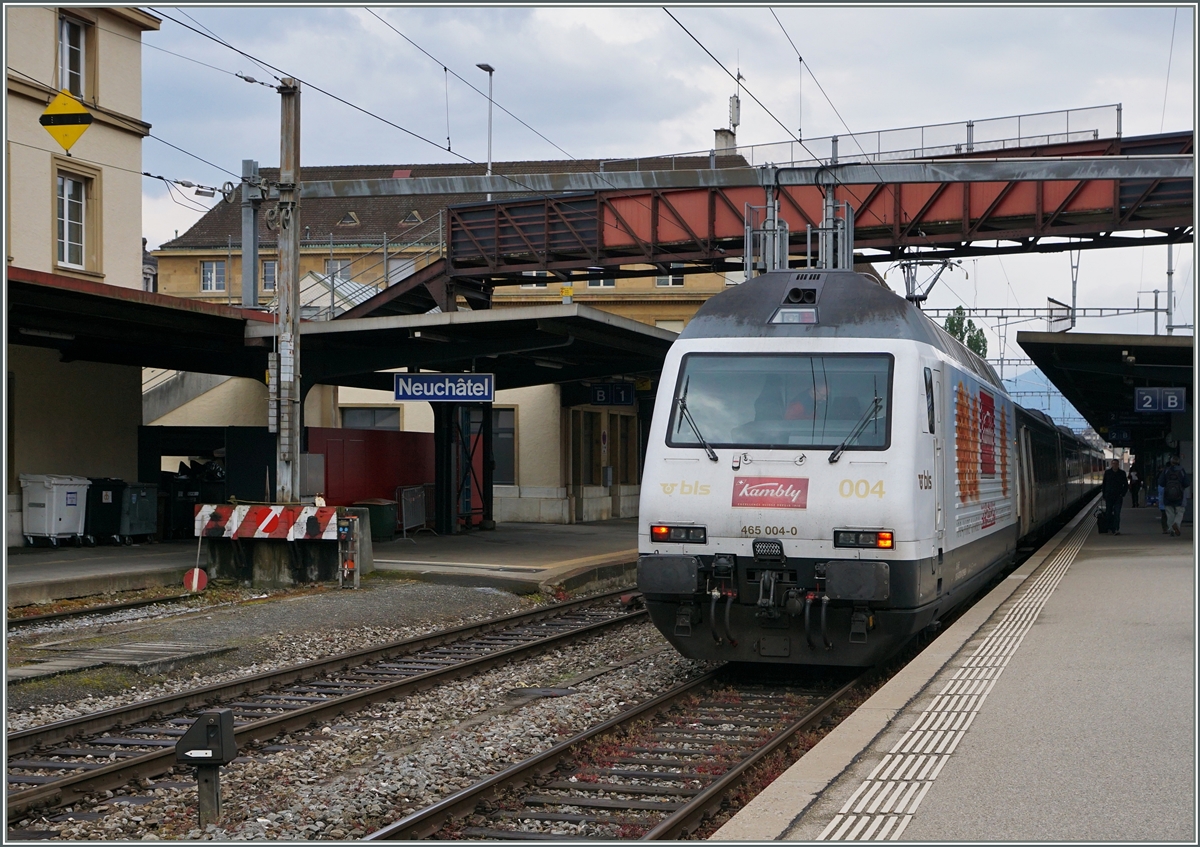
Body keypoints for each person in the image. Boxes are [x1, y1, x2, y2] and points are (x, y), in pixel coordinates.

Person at [1157, 456, 1190, 537]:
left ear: (1170, 462)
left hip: (1168, 495)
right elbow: (1187, 483)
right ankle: (1176, 524)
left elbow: (1161, 482)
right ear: (1178, 462)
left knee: (1169, 512)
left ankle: (1171, 529)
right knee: (1180, 511)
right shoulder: (1182, 470)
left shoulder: (1166, 470)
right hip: (1180, 495)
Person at [1101, 459, 1128, 535]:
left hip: (1118, 496)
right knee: (1108, 513)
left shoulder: (1122, 473)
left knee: (1117, 513)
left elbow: (1125, 484)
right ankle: (1109, 528)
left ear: (1118, 464)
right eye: (1113, 464)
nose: (1115, 465)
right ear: (1111, 464)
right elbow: (1104, 484)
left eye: (1116, 464)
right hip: (1109, 496)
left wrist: (1123, 494)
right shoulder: (1107, 473)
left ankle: (1116, 528)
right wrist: (1104, 495)